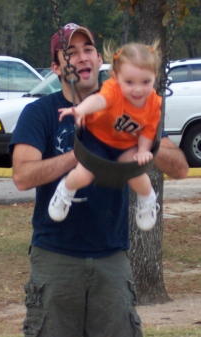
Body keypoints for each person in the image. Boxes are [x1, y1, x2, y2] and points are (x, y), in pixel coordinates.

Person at [9, 22, 189, 337]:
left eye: (88, 49)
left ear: (98, 59)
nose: (82, 57)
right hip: (56, 256)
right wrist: (83, 154)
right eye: (71, 52)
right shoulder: (40, 113)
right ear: (56, 67)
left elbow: (180, 168)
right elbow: (23, 176)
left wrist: (141, 139)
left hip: (112, 256)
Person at [48, 41, 162, 231]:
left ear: (155, 77)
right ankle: (66, 189)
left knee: (135, 171)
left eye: (146, 82)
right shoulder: (113, 90)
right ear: (117, 78)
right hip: (97, 139)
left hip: (126, 144)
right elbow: (99, 100)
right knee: (84, 175)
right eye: (130, 82)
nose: (138, 89)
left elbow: (149, 130)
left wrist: (143, 150)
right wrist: (81, 109)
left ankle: (148, 198)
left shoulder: (154, 102)